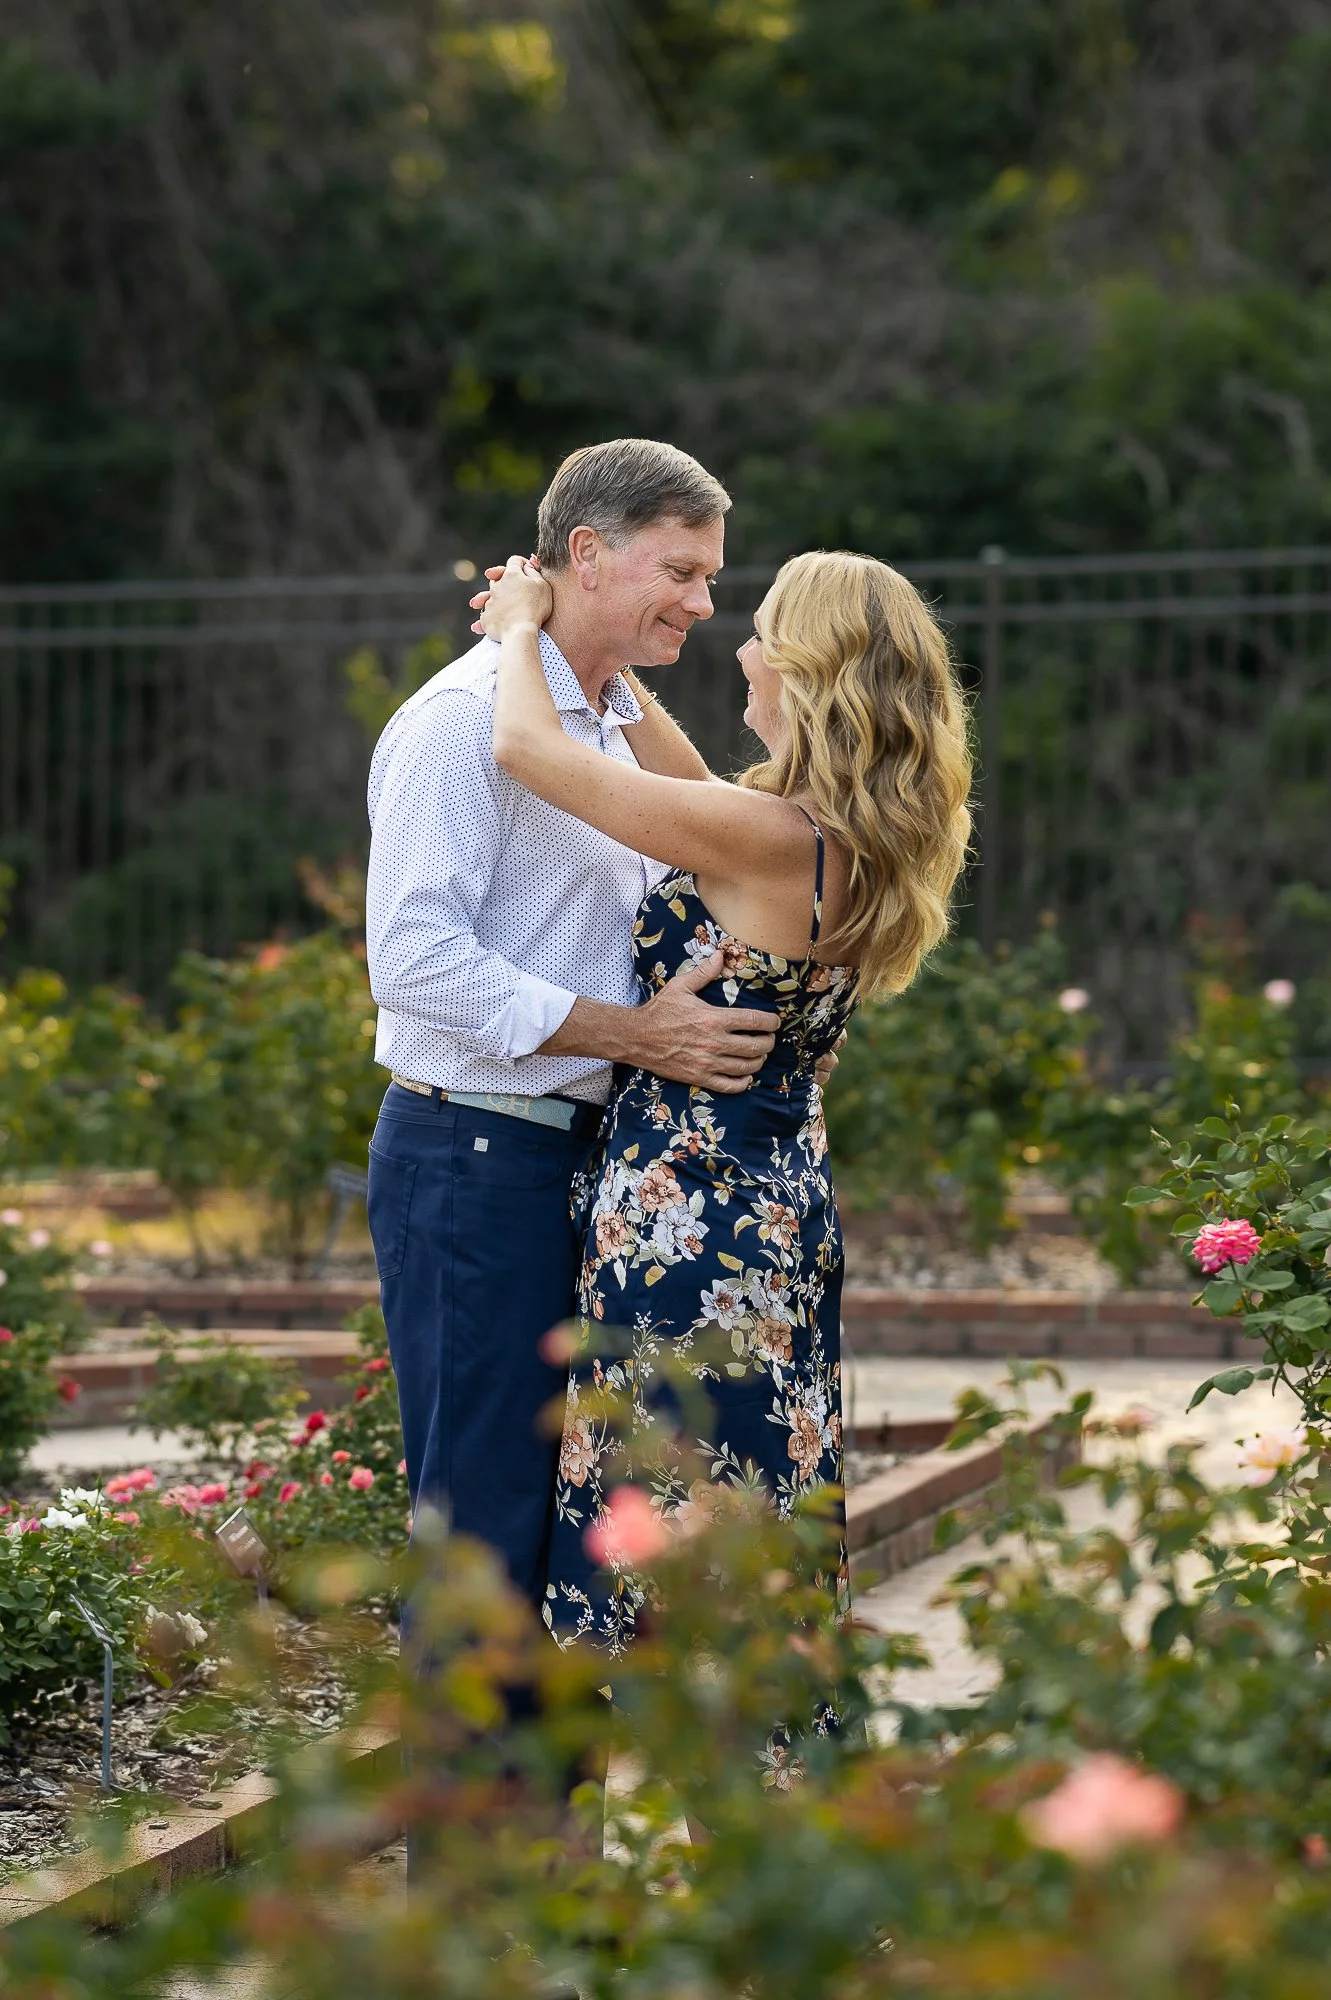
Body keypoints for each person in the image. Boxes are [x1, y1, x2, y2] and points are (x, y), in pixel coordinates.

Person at [475, 546, 973, 1660]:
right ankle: (766, 1805)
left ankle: (729, 1786)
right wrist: (614, 668)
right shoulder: (830, 835)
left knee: (679, 1527)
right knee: (757, 1509)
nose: (736, 647)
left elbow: (524, 746)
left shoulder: (765, 837)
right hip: (771, 1211)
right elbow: (694, 784)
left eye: (758, 634)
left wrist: (521, 627)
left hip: (689, 1228)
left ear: (804, 670)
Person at [364, 438, 789, 1619]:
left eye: (710, 579)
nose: (703, 604)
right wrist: (634, 1034)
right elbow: (411, 962)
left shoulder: (598, 729)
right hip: (473, 1158)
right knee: (480, 1527)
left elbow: (707, 817)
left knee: (571, 1540)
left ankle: (549, 1811)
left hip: (580, 1165)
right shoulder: (458, 724)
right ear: (585, 553)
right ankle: (472, 1812)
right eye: (681, 572)